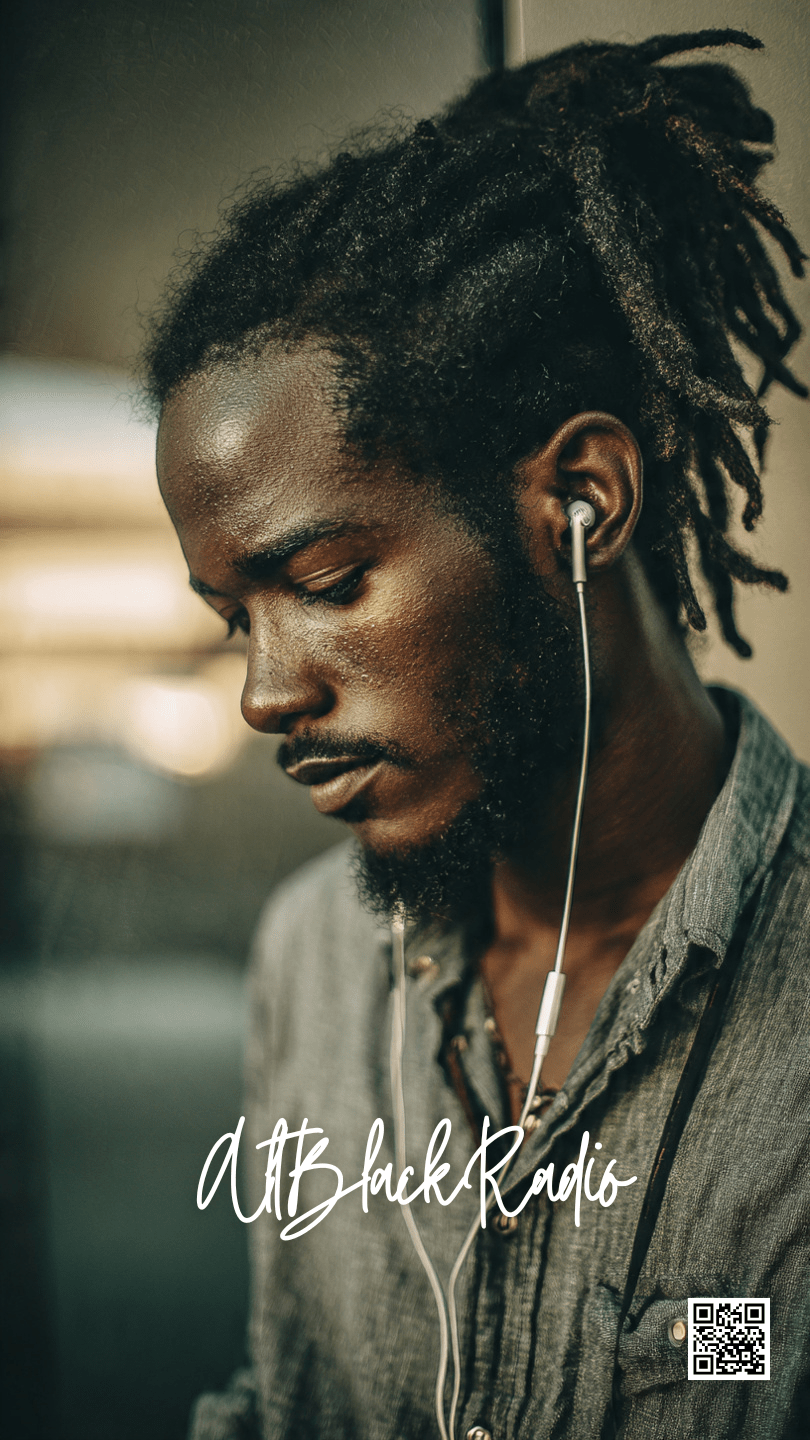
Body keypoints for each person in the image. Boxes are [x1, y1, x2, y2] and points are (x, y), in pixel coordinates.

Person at [145, 28, 810, 1440]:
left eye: (327, 582)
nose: (265, 693)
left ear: (580, 501)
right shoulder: (316, 959)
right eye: (234, 617)